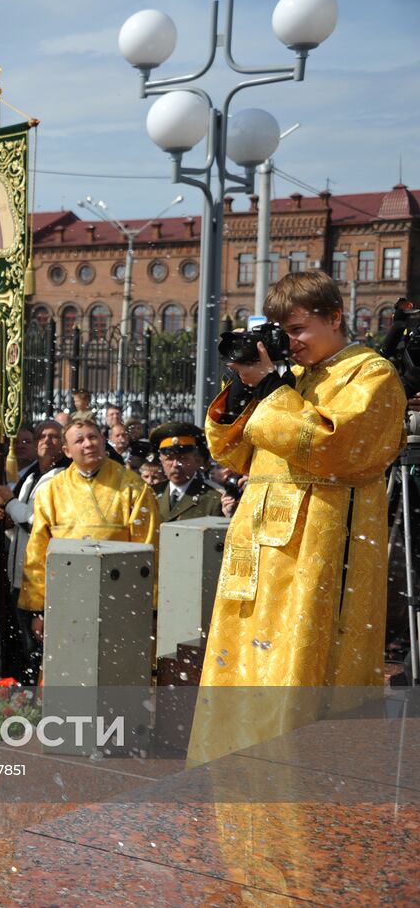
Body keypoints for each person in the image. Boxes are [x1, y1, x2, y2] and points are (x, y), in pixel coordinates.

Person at [199, 271, 406, 693]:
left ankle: (295, 755)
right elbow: (231, 452)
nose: (291, 342)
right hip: (258, 546)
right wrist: (244, 386)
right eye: (283, 332)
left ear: (334, 317)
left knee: (300, 667)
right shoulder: (289, 374)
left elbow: (333, 447)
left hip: (320, 546)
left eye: (298, 329)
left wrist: (272, 386)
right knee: (243, 666)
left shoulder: (371, 373)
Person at [19, 416, 160, 648]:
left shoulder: (134, 488)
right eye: (80, 440)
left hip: (119, 597)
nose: (88, 444)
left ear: (104, 442)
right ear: (66, 450)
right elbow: (37, 552)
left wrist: (150, 606)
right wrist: (38, 609)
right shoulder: (52, 491)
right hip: (66, 597)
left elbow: (150, 549)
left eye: (93, 437)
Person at [0, 420, 66, 684]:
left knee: (38, 646)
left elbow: (37, 519)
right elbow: (20, 524)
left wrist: (9, 503)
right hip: (20, 573)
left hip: (43, 576)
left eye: (54, 436)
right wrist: (6, 516)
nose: (47, 441)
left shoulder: (62, 477)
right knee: (20, 642)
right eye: (41, 436)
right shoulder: (33, 475)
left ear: (64, 444)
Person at [149, 422, 225, 521]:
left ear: (196, 461)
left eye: (183, 458)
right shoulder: (151, 494)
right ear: (161, 461)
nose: (176, 464)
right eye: (170, 459)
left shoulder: (213, 499)